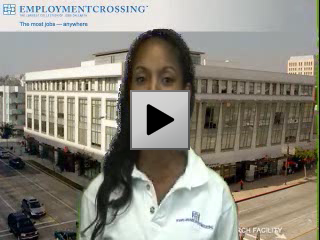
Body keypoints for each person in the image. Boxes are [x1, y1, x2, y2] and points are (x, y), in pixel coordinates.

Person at [79, 29, 238, 240]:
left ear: (186, 91)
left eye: (167, 79)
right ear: (129, 93)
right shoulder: (98, 195)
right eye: (142, 78)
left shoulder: (217, 196)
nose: (152, 90)